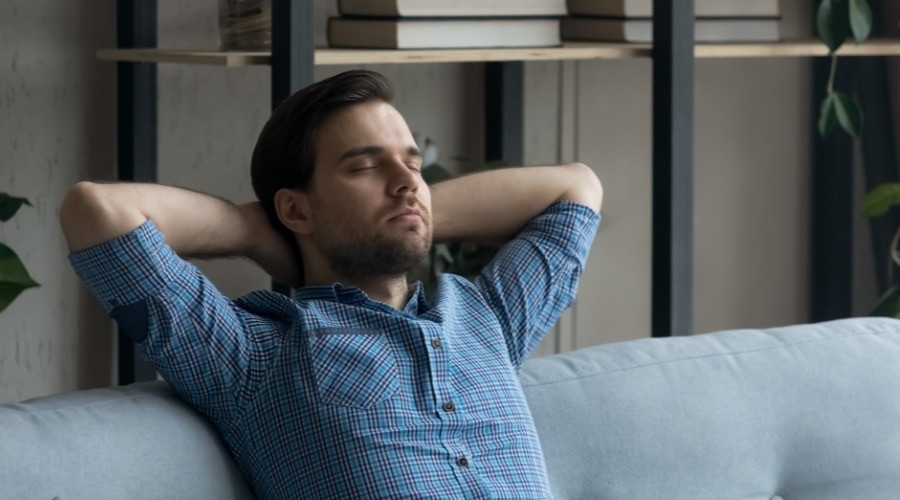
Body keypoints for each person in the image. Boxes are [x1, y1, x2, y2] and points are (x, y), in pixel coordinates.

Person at [61, 69, 602, 499]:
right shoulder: (255, 352)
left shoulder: (488, 318)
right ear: (294, 208)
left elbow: (576, 189)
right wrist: (261, 234)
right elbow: (98, 211)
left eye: (412, 164)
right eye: (365, 167)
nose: (408, 182)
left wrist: (411, 213)